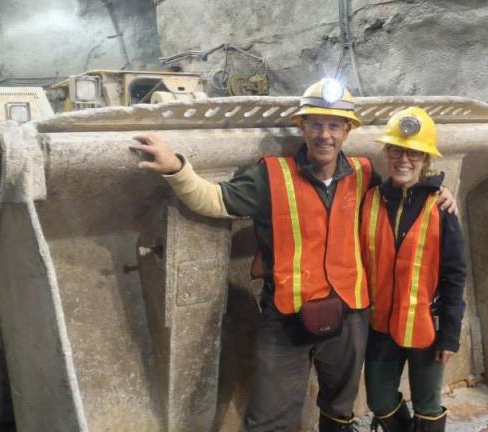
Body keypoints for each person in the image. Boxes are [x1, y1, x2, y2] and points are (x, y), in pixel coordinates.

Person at [130, 81, 457, 432]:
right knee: (270, 417)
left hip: (350, 316)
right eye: (315, 124)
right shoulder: (270, 175)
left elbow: (401, 196)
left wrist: (437, 191)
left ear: (348, 131)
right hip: (287, 317)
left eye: (334, 125)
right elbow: (215, 200)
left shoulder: (364, 174)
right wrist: (176, 168)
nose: (324, 135)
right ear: (301, 126)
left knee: (340, 407)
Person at [360, 107, 467, 432]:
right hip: (379, 327)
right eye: (396, 150)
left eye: (414, 152)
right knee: (378, 400)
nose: (403, 159)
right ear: (386, 152)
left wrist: (449, 334)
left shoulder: (441, 207)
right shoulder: (370, 199)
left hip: (426, 327)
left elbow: (454, 274)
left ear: (426, 158)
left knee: (427, 405)